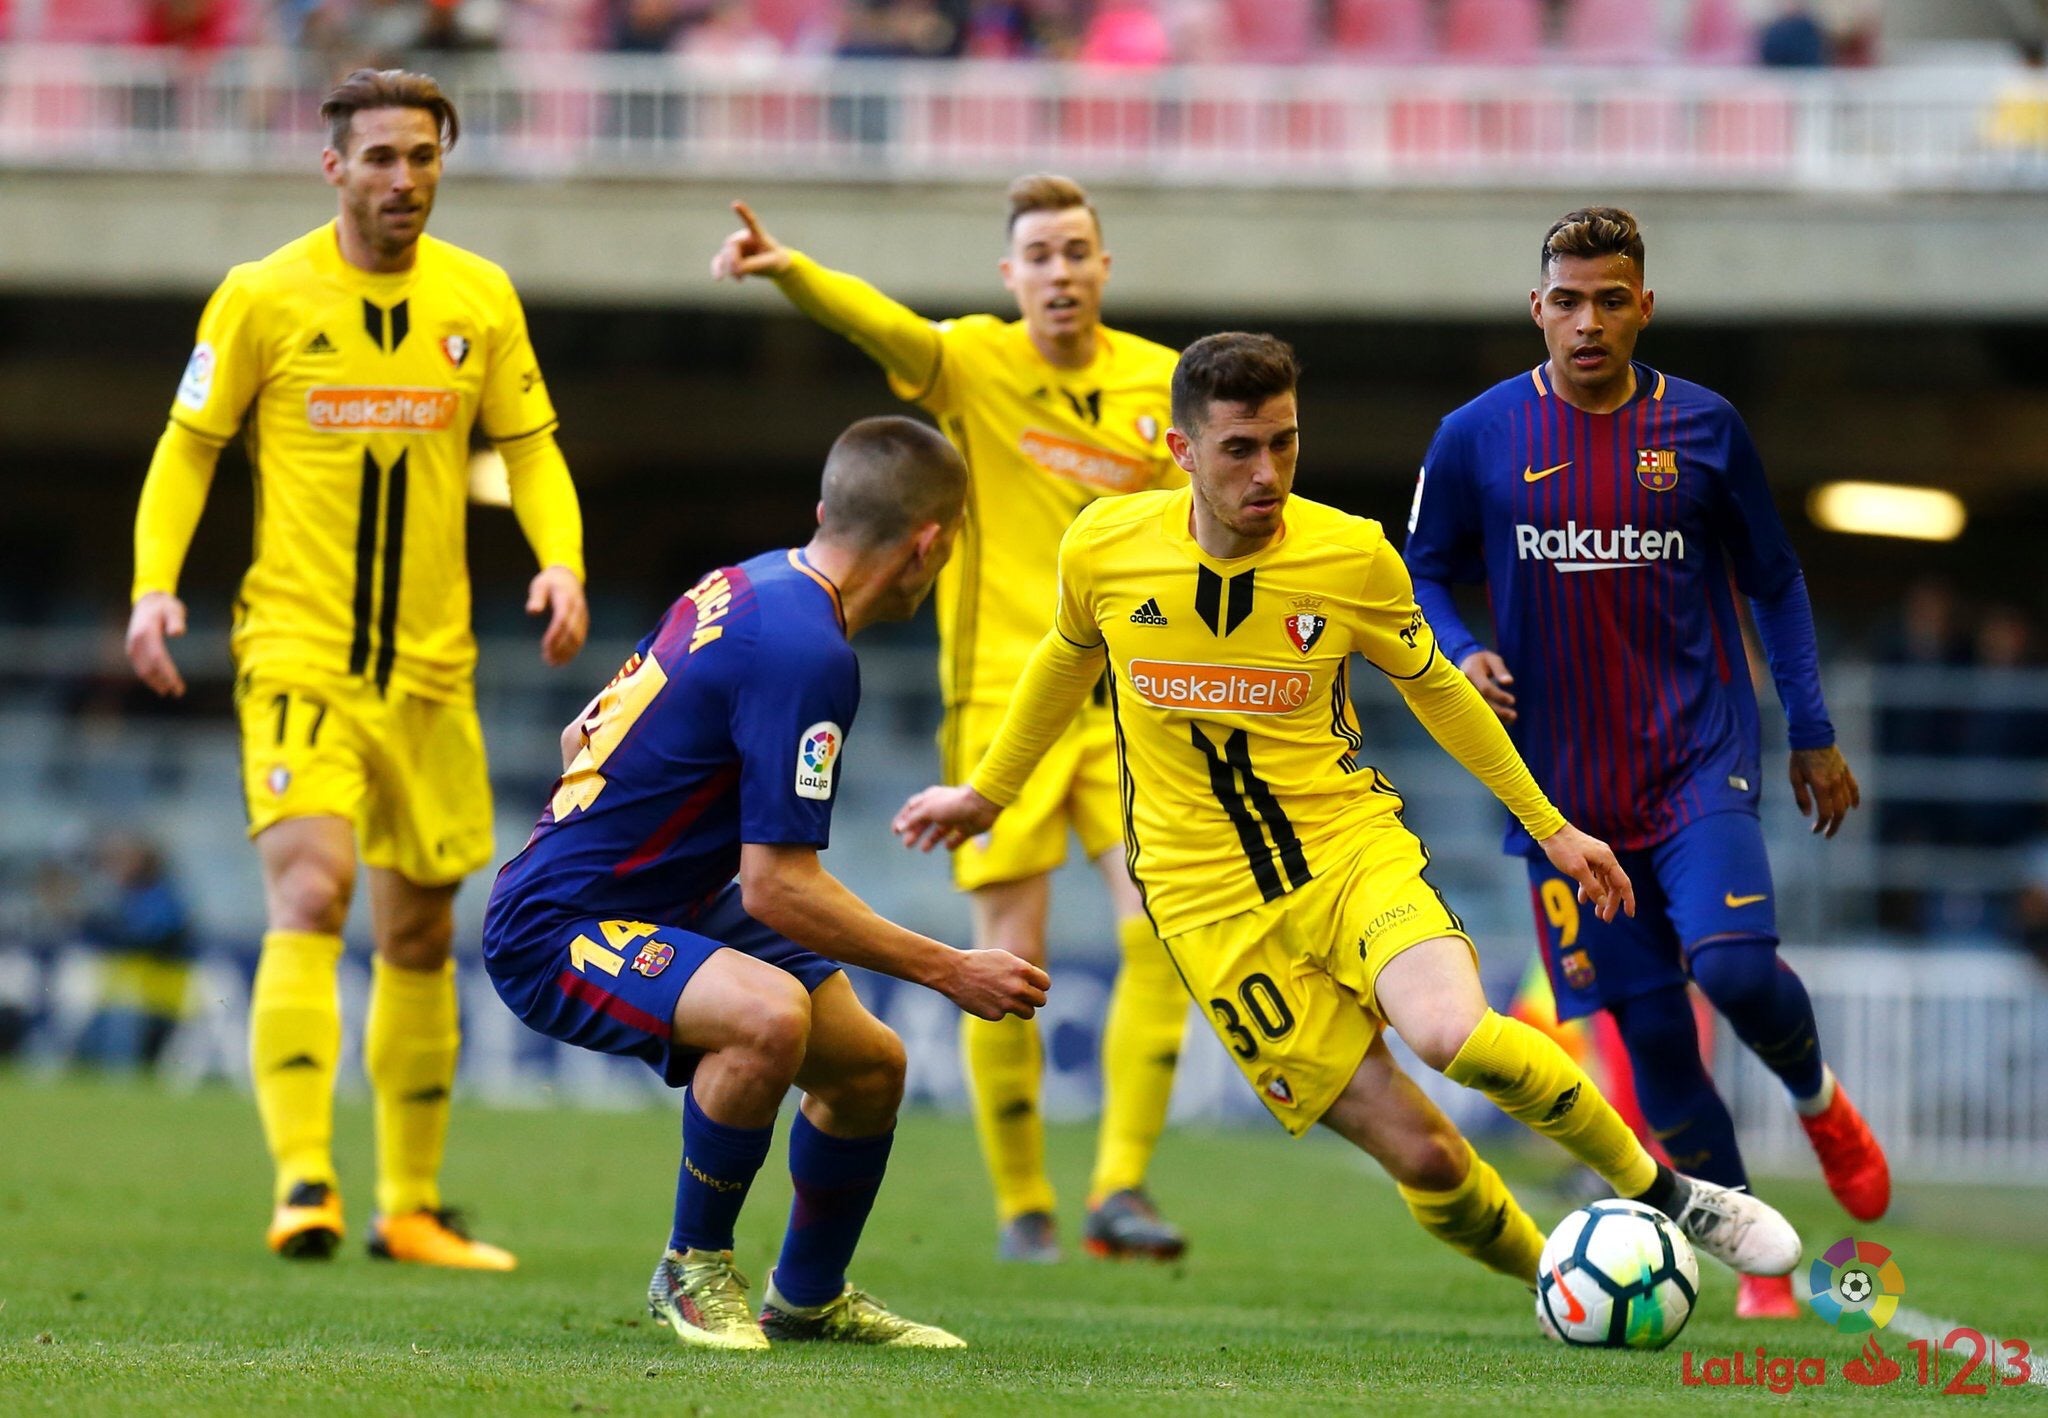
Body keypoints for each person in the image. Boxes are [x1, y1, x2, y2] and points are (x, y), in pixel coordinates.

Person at [896, 332, 1803, 1297]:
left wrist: (1552, 826)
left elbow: (1443, 693)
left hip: (1346, 850)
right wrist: (986, 793)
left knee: (1454, 1033)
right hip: (1209, 909)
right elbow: (1063, 659)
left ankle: (1668, 1194)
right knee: (1429, 1160)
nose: (1269, 471)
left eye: (1285, 442)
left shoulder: (1350, 554)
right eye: (1241, 448)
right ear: (1181, 452)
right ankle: (1562, 1278)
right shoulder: (1106, 548)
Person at [126, 68, 590, 1269]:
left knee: (425, 934)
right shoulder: (262, 297)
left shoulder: (478, 298)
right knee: (312, 892)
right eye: (380, 158)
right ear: (332, 166)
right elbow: (188, 451)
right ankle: (302, 1183)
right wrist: (153, 585)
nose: (403, 181)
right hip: (297, 654)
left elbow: (530, 450)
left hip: (432, 672)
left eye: (422, 157)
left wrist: (562, 563)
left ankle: (411, 1205)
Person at [1402, 207, 1886, 1320]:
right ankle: (1760, 1253)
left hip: (1691, 763)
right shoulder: (1473, 435)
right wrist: (1456, 646)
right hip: (1558, 796)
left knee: (1728, 969)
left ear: (1643, 307)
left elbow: (1773, 579)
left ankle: (1816, 1096)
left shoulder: (1705, 427)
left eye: (1608, 299)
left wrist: (1808, 727)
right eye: (1565, 301)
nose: (1586, 322)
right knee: (1654, 1040)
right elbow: (1417, 571)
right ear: (1536, 308)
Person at [484, 417, 1048, 1351]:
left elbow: (579, 733)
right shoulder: (808, 653)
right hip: (559, 923)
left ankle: (810, 1298)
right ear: (932, 546)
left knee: (870, 1070)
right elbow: (780, 889)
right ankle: (692, 1269)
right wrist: (951, 970)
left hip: (674, 894)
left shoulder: (747, 581)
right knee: (768, 1016)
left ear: (826, 510)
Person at [712, 175, 1192, 1264]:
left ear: (1102, 267)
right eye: (1038, 255)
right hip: (998, 704)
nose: (1059, 272)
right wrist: (790, 272)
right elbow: (880, 322)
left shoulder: (1160, 387)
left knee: (1160, 928)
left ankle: (1119, 1184)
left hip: (1130, 707)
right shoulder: (975, 361)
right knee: (1006, 952)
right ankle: (1024, 1203)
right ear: (1009, 276)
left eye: (1076, 251)